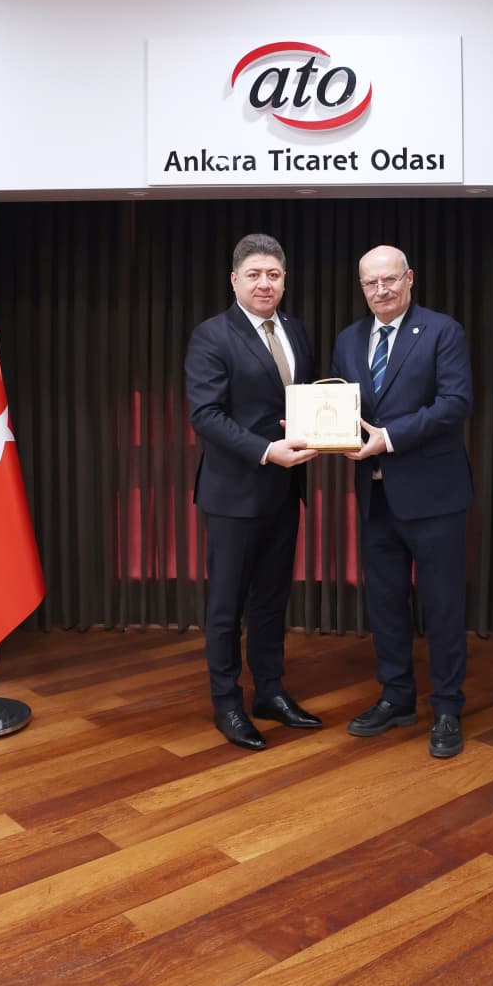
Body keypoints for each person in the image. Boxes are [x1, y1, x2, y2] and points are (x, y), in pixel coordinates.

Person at [331, 245, 473, 758]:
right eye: (371, 283)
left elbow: (455, 403)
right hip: (376, 496)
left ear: (409, 278)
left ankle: (448, 707)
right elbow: (343, 408)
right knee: (386, 604)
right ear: (361, 287)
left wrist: (388, 439)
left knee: (442, 605)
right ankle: (397, 697)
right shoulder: (348, 340)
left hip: (435, 497)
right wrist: (319, 430)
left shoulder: (442, 331)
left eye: (389, 280)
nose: (381, 290)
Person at [185, 234, 320, 750]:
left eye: (274, 275)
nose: (265, 283)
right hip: (233, 496)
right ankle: (227, 703)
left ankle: (270, 691)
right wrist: (266, 450)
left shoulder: (296, 331)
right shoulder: (211, 335)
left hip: (284, 491)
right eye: (255, 274)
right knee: (226, 608)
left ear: (284, 280)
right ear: (235, 280)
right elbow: (206, 415)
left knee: (271, 601)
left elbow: (300, 404)